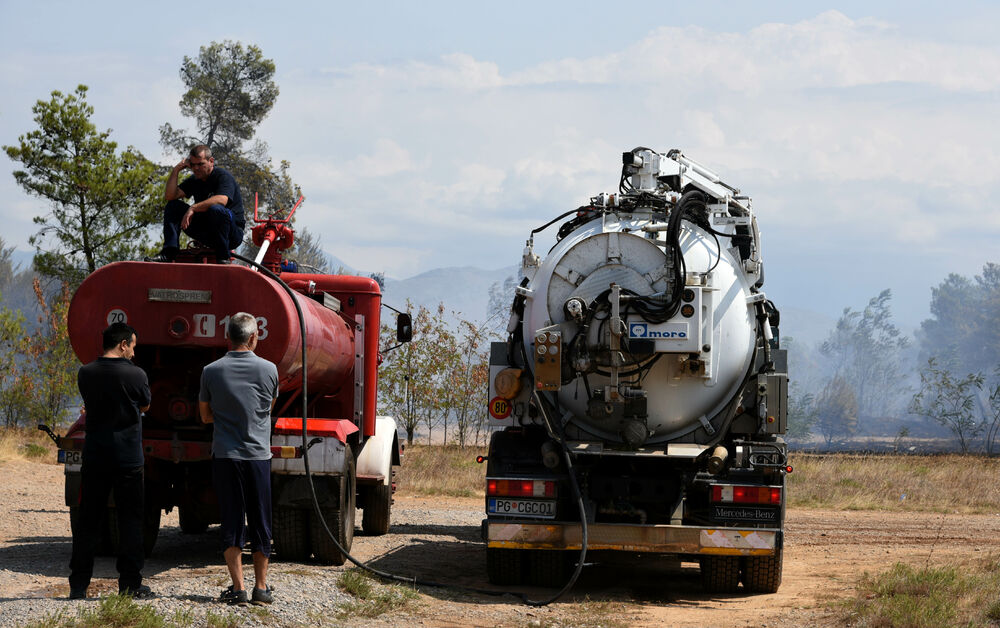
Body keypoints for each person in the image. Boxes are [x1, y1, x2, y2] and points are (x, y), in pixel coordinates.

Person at [200, 312, 279, 605]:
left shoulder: (211, 370)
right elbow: (269, 407)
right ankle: (261, 587)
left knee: (232, 521)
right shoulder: (270, 369)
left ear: (227, 338)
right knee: (261, 520)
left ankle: (238, 588)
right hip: (258, 456)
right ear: (254, 337)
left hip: (226, 456)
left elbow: (205, 415)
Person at [69, 322, 152, 599]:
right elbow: (145, 405)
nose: (133, 353)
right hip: (128, 459)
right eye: (133, 347)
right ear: (123, 343)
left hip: (95, 456)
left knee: (88, 521)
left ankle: (78, 585)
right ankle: (130, 584)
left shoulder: (86, 373)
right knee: (130, 521)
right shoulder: (137, 375)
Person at [149, 144, 245, 264]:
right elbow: (170, 195)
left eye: (200, 164)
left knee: (216, 209)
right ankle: (169, 253)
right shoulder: (195, 180)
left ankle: (222, 257)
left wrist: (193, 208)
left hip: (231, 234)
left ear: (211, 161)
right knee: (173, 206)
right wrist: (176, 169)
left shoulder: (223, 177)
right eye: (193, 165)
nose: (196, 168)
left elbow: (222, 200)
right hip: (207, 231)